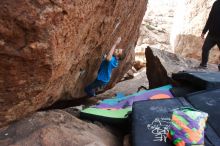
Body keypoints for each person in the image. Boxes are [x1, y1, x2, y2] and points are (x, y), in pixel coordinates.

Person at [199, 0, 220, 70]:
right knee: (205, 48)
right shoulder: (216, 3)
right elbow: (210, 18)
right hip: (212, 34)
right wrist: (204, 31)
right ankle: (203, 65)